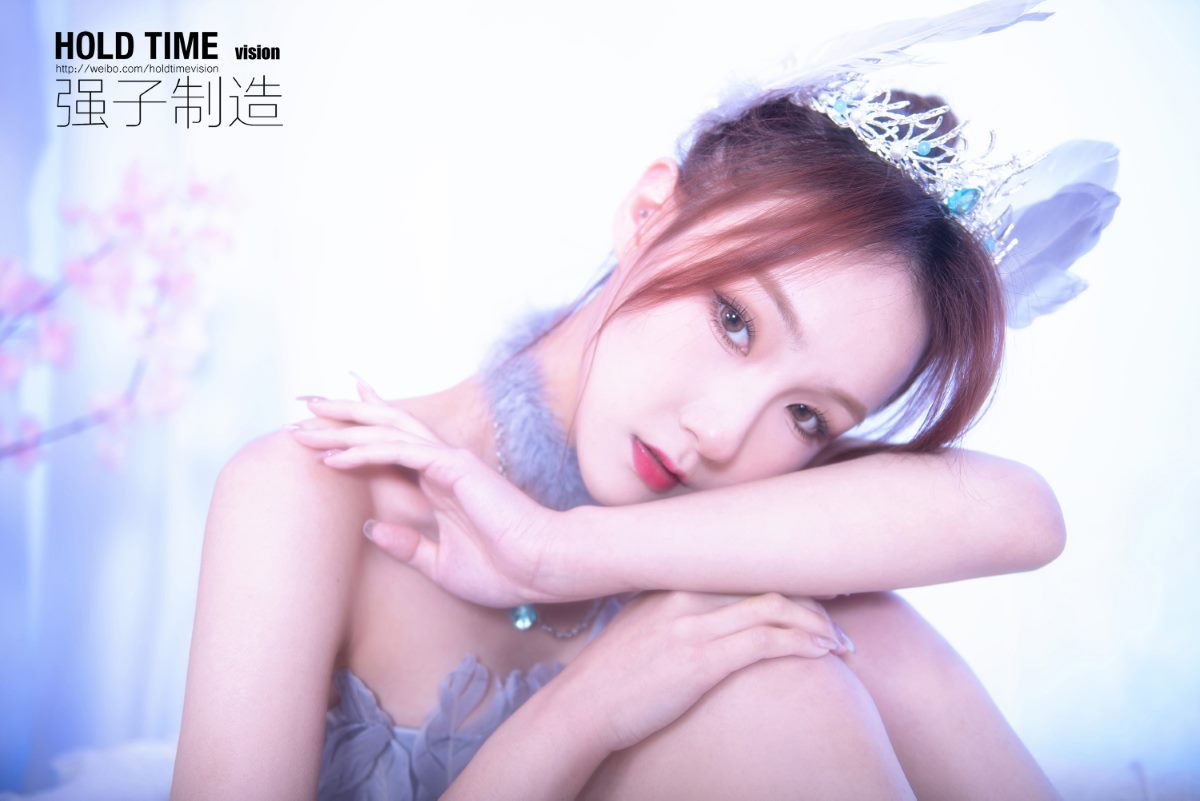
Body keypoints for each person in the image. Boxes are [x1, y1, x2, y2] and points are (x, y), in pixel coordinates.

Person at [171, 3, 1119, 799]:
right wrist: (583, 713)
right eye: (735, 320)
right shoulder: (314, 494)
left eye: (809, 416)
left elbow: (1022, 517)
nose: (721, 432)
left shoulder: (744, 552)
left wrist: (557, 553)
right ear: (648, 213)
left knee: (825, 647)